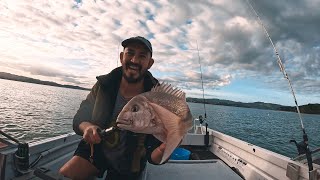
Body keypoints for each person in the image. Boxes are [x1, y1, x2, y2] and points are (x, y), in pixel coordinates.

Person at [59, 36, 166, 180]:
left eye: (142, 56)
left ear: (150, 63)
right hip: (94, 152)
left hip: (129, 165)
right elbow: (80, 118)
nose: (134, 60)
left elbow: (154, 156)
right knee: (67, 174)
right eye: (130, 53)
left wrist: (166, 147)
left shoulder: (157, 98)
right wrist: (88, 128)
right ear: (122, 56)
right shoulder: (103, 85)